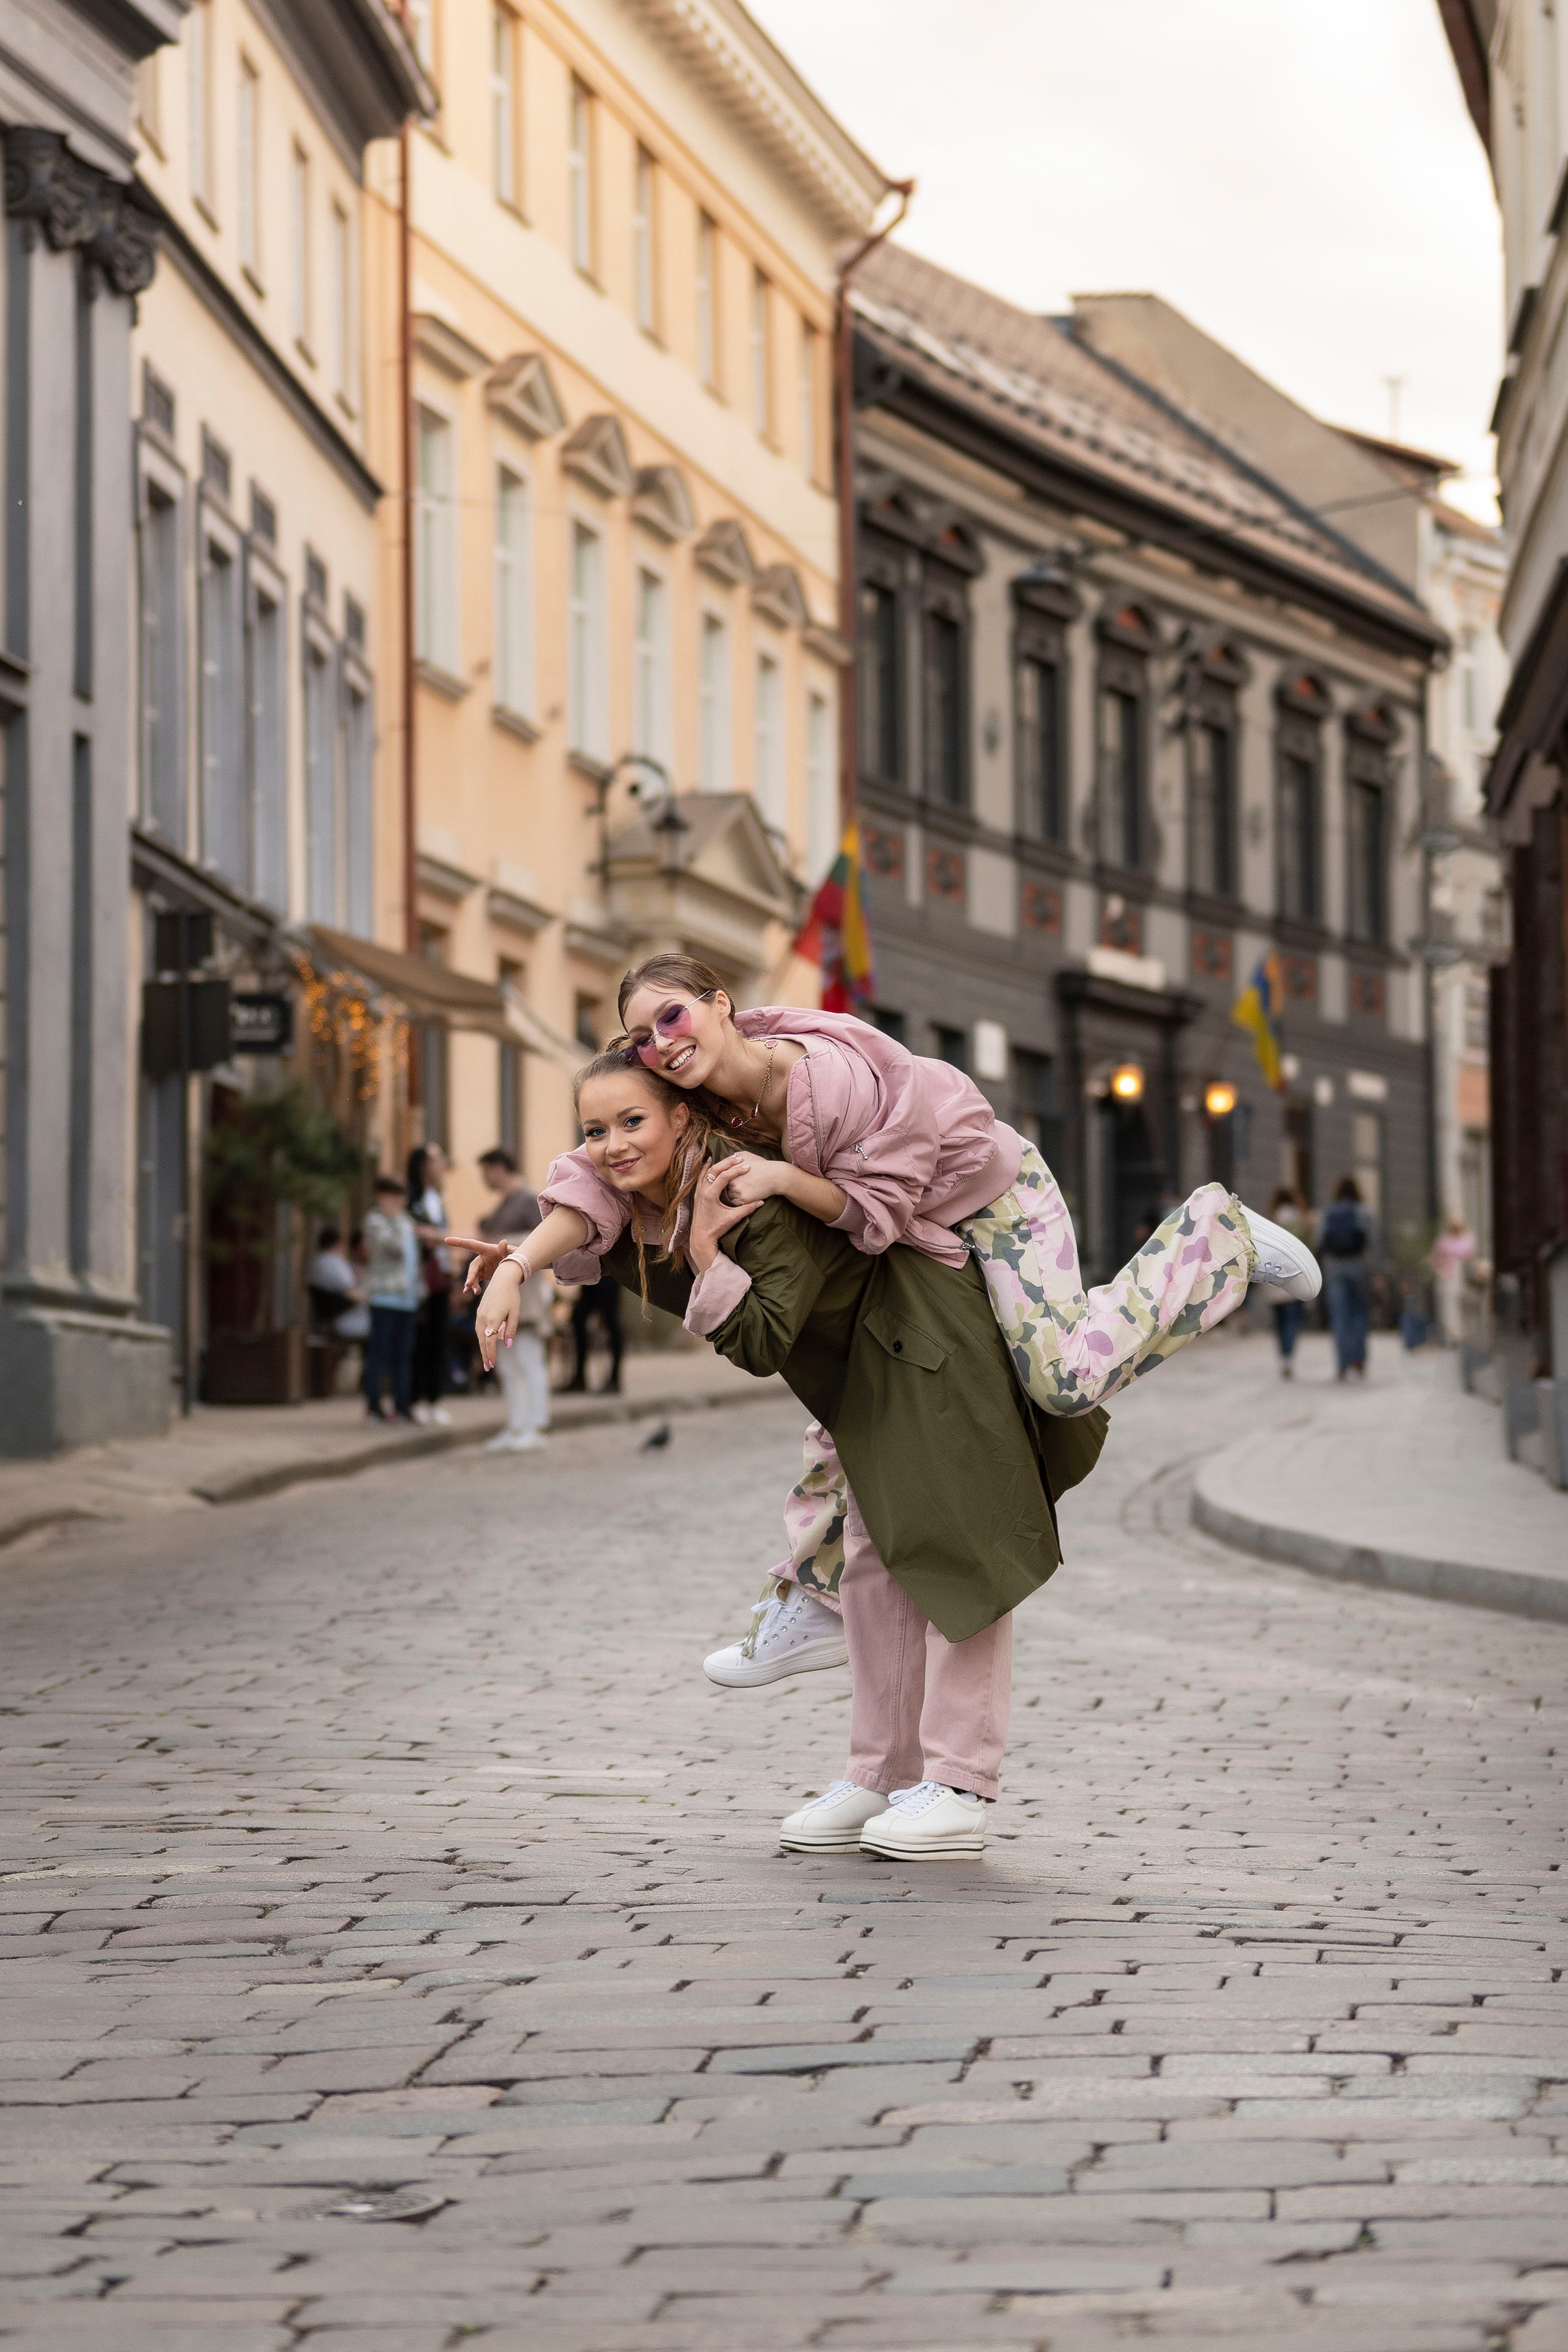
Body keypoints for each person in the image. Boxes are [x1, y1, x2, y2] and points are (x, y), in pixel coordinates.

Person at [453, 957, 1320, 1685]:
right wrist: (518, 1266)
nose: (661, 1043)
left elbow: (875, 1215)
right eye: (642, 1035)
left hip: (991, 1201)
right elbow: (593, 1174)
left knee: (1062, 1378)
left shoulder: (829, 1079)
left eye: (674, 1016)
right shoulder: (687, 1095)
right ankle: (816, 1599)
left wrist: (786, 1182)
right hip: (907, 1240)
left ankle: (1217, 1238)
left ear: (720, 1005)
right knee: (862, 1403)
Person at [470, 1055, 1109, 1860]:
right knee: (876, 1561)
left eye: (632, 1122)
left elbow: (766, 1339)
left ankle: (958, 1786)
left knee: (961, 1553)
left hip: (926, 1345)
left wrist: (705, 1259)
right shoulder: (648, 1191)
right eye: (596, 1129)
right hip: (862, 1378)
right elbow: (579, 1193)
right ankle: (883, 1774)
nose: (611, 1145)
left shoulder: (738, 1196)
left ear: (684, 1120)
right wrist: (517, 1266)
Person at [476, 1147, 553, 1454]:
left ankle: (535, 1425)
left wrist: (499, 1241)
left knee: (528, 1360)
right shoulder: (507, 1203)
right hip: (504, 1293)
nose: (483, 1178)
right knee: (508, 1365)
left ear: (498, 1168)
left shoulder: (528, 1199)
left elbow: (544, 1237)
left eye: (486, 1171)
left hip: (527, 1295)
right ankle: (518, 1424)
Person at [363, 1176, 420, 1422]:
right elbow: (393, 1248)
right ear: (381, 1197)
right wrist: (396, 1220)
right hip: (384, 1297)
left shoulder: (406, 1221)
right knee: (379, 1353)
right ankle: (373, 1405)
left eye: (402, 1196)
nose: (400, 1202)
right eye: (394, 1196)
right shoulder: (376, 1221)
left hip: (408, 1299)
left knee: (404, 1355)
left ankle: (402, 1405)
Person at [407, 1144, 453, 1428]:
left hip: (440, 1279)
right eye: (436, 1160)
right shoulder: (412, 1200)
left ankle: (435, 1398)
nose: (441, 1166)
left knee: (438, 1339)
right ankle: (416, 1399)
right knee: (420, 1341)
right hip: (418, 1282)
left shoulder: (437, 1198)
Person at [1317, 1176, 1374, 1381]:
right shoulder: (1363, 1211)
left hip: (1334, 1267)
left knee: (1340, 1316)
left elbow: (1319, 1239)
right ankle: (1358, 1360)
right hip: (1358, 1265)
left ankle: (1342, 1365)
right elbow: (1373, 1240)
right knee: (1359, 1313)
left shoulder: (1329, 1211)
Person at [1256, 1186, 1312, 1379]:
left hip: (1272, 1278)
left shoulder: (1269, 1220)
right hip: (1293, 1276)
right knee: (1292, 1321)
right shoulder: (1298, 1218)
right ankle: (1289, 1356)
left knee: (1279, 1322)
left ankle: (1282, 1357)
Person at [565, 1274, 624, 1395]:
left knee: (611, 1322)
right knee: (578, 1318)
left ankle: (615, 1379)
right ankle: (579, 1378)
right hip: (591, 1271)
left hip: (610, 1274)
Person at [307, 1226, 362, 1338]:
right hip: (347, 1320)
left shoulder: (316, 1262)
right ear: (339, 1244)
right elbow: (351, 1293)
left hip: (329, 1320)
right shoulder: (335, 1262)